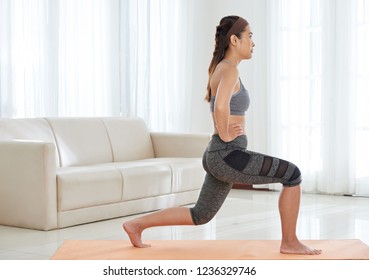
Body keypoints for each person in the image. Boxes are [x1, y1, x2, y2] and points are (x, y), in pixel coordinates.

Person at [123, 15, 322, 255]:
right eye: (250, 36)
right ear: (234, 40)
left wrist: (224, 135)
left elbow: (220, 106)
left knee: (200, 214)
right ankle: (290, 242)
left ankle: (136, 225)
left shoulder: (224, 69)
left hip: (218, 154)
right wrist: (227, 135)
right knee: (292, 174)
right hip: (227, 154)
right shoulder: (229, 71)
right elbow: (220, 107)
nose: (253, 42)